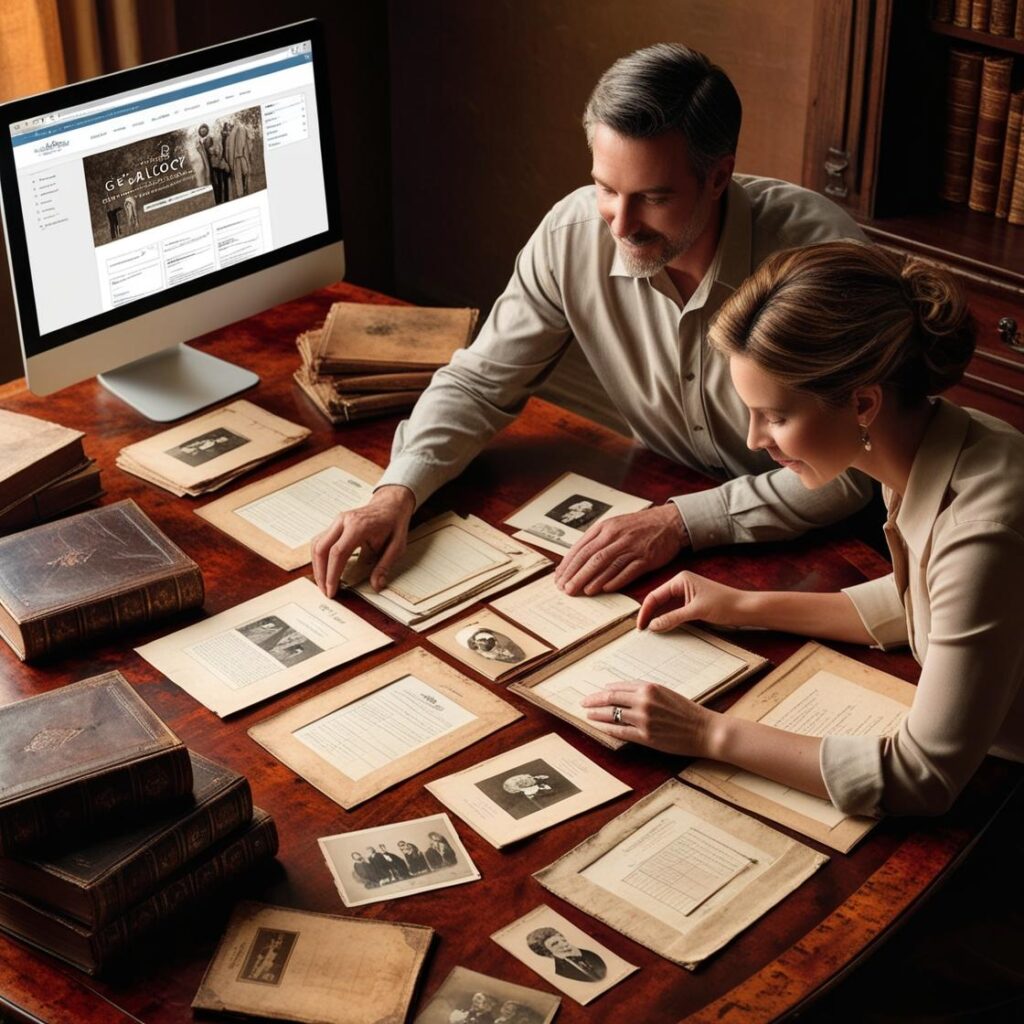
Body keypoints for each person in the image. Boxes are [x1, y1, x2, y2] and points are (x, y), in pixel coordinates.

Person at [312, 42, 871, 601]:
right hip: (666, 517)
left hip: (836, 553)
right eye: (606, 188)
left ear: (719, 176)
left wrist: (680, 522)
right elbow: (479, 384)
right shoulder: (570, 236)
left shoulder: (819, 258)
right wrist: (396, 492)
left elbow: (855, 471)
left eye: (653, 197)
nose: (621, 224)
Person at [582, 241, 1024, 818]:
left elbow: (922, 776)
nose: (753, 440)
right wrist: (743, 606)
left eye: (776, 416)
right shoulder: (932, 441)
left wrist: (706, 734)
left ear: (863, 403)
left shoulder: (981, 530)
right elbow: (923, 601)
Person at [525, 926, 608, 982]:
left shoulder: (591, 955)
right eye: (555, 944)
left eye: (563, 940)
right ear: (548, 952)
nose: (564, 944)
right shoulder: (561, 972)